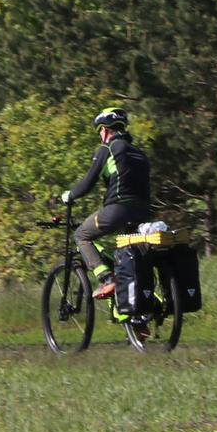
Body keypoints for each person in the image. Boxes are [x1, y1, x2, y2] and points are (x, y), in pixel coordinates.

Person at [60, 107, 150, 301]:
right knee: (129, 260)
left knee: (82, 234)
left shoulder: (107, 148)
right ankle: (136, 319)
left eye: (99, 131)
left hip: (118, 210)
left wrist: (70, 195)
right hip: (143, 212)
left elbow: (88, 182)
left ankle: (106, 278)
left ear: (104, 129)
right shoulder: (138, 152)